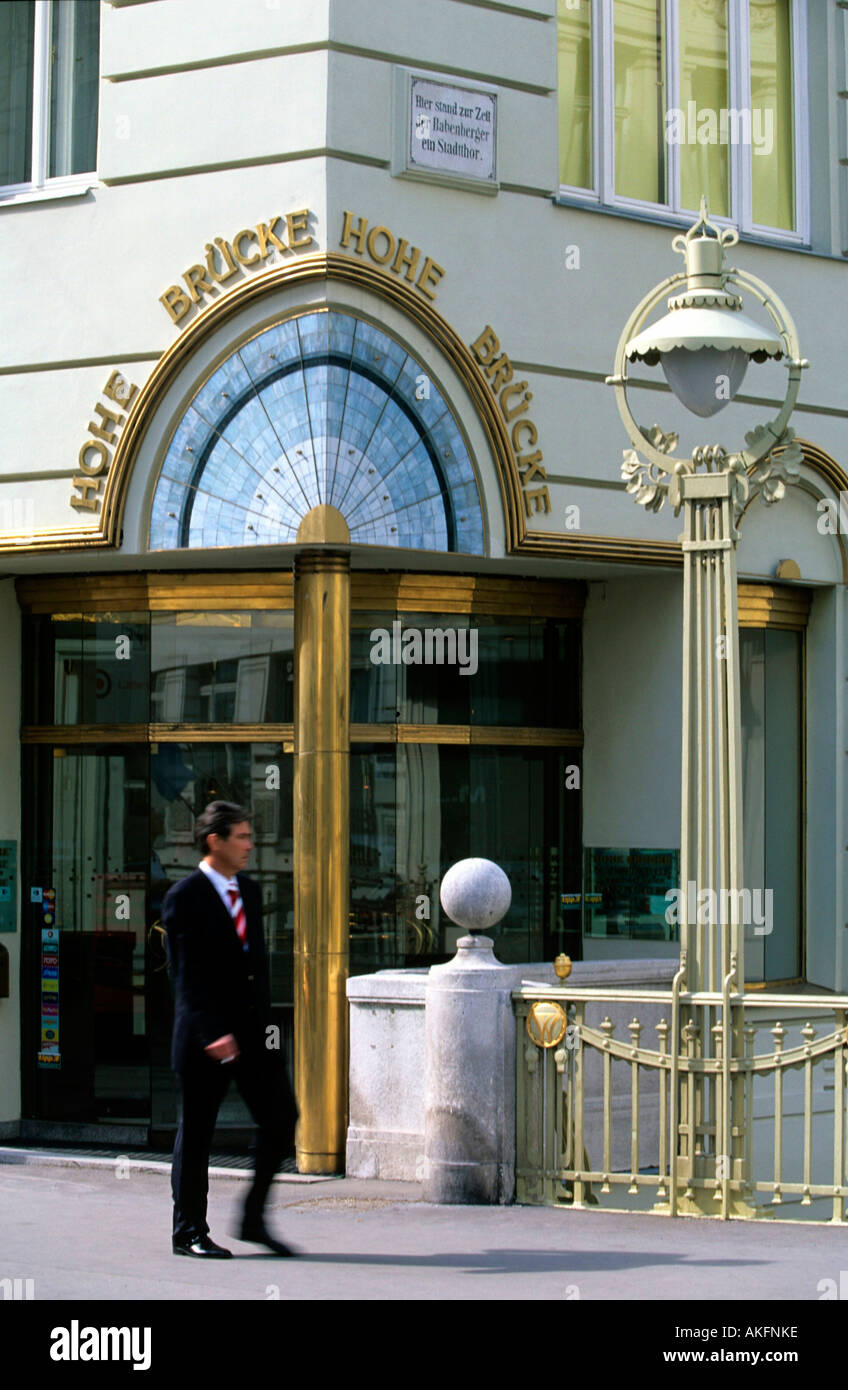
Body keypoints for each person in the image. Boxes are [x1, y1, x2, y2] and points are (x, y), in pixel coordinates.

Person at [163, 800, 299, 1258]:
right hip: (206, 1038)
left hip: (253, 1035)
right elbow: (185, 976)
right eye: (240, 837)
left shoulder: (252, 892)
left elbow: (254, 967)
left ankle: (253, 1219)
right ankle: (188, 1233)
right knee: (198, 1134)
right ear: (214, 841)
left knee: (282, 1118)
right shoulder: (183, 897)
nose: (250, 845)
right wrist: (212, 1031)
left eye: (249, 835)